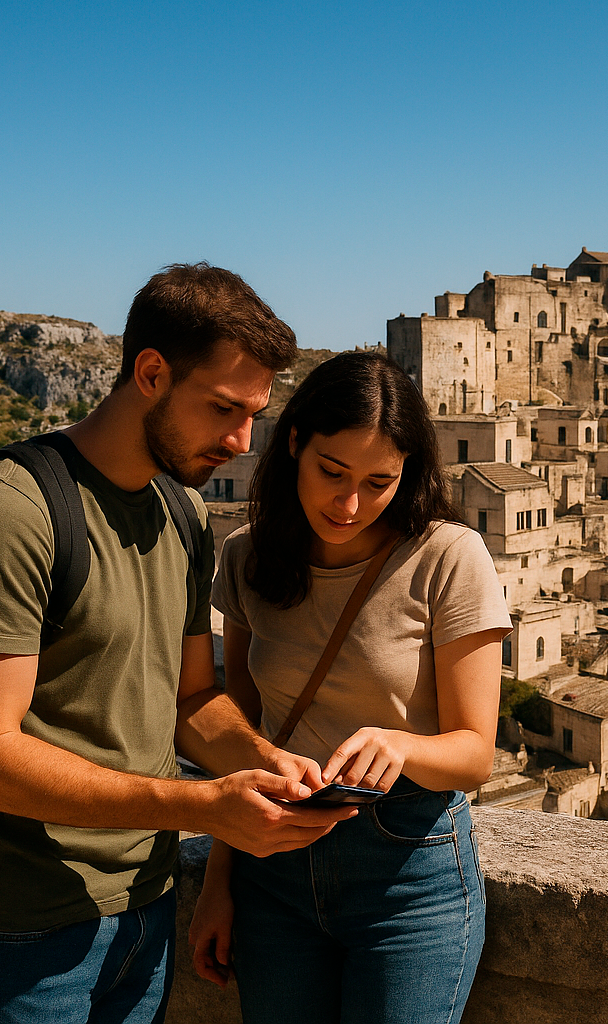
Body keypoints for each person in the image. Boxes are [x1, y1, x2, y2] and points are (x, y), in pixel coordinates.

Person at [0, 263, 355, 1024]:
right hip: (14, 931)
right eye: (223, 408)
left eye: (254, 413)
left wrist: (263, 763)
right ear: (150, 373)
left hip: (143, 915)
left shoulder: (181, 512)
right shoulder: (9, 516)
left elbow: (191, 699)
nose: (241, 440)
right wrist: (199, 807)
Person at [188, 350, 511, 1024]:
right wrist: (220, 880)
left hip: (407, 879)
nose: (350, 503)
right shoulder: (245, 555)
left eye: (379, 482)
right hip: (271, 874)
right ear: (295, 444)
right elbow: (242, 732)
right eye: (332, 473)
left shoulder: (448, 557)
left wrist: (400, 746)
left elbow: (476, 754)